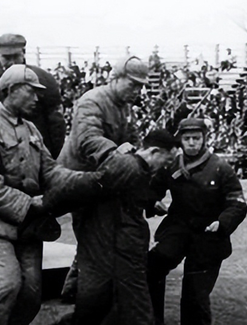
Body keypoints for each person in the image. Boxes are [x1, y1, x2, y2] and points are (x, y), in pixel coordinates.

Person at [0, 65, 101, 325]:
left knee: (31, 296)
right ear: (11, 90)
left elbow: (51, 171)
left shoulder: (31, 130)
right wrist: (29, 204)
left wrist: (89, 181)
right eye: (31, 91)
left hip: (26, 227)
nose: (37, 98)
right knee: (5, 284)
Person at [58, 56, 172, 325]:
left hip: (105, 183)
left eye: (141, 86)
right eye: (132, 85)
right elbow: (88, 139)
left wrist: (133, 156)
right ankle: (82, 302)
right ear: (115, 78)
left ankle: (77, 292)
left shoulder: (123, 108)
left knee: (99, 248)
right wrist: (117, 152)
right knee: (94, 251)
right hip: (82, 182)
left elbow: (132, 140)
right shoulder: (91, 101)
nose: (137, 91)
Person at [147, 118, 247, 325]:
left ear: (204, 139)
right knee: (150, 269)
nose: (192, 142)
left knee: (195, 294)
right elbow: (153, 188)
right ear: (180, 141)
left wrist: (223, 222)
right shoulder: (172, 164)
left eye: (196, 138)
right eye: (187, 138)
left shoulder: (220, 168)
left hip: (209, 235)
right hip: (178, 229)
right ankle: (151, 320)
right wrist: (153, 202)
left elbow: (237, 203)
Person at [0, 33, 66, 158]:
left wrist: (53, 156)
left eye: (16, 56)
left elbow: (56, 122)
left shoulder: (45, 79)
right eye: (7, 58)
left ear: (23, 52)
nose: (12, 62)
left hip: (36, 153)